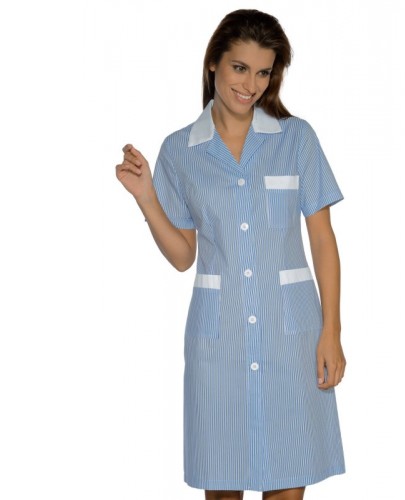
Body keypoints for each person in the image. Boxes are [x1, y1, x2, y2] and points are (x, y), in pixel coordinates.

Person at [116, 9, 346, 500]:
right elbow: (183, 256)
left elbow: (323, 240)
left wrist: (332, 331)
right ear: (213, 64)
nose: (251, 85)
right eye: (240, 68)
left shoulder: (296, 138)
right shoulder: (180, 150)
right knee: (222, 482)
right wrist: (146, 198)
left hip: (291, 338)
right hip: (219, 342)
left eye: (263, 72)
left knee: (288, 477)